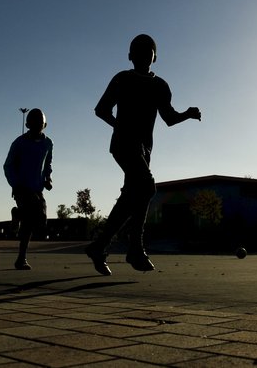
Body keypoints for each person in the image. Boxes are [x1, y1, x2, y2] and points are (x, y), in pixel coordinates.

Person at [85, 34, 201, 276]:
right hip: (123, 144)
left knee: (132, 196)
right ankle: (135, 248)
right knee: (147, 187)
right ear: (129, 55)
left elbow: (168, 118)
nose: (142, 54)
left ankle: (99, 246)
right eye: (137, 50)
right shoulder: (122, 79)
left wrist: (187, 114)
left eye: (147, 50)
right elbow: (101, 109)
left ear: (155, 57)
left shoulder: (160, 86)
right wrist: (120, 127)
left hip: (144, 150)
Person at [3, 108, 53, 270]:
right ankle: (21, 259)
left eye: (40, 123)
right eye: (33, 123)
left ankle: (17, 214)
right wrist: (15, 184)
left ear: (44, 125)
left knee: (39, 222)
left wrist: (47, 178)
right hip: (21, 187)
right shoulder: (19, 143)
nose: (37, 126)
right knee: (28, 222)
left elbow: (48, 164)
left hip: (37, 187)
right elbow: (8, 165)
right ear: (27, 124)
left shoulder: (48, 143)